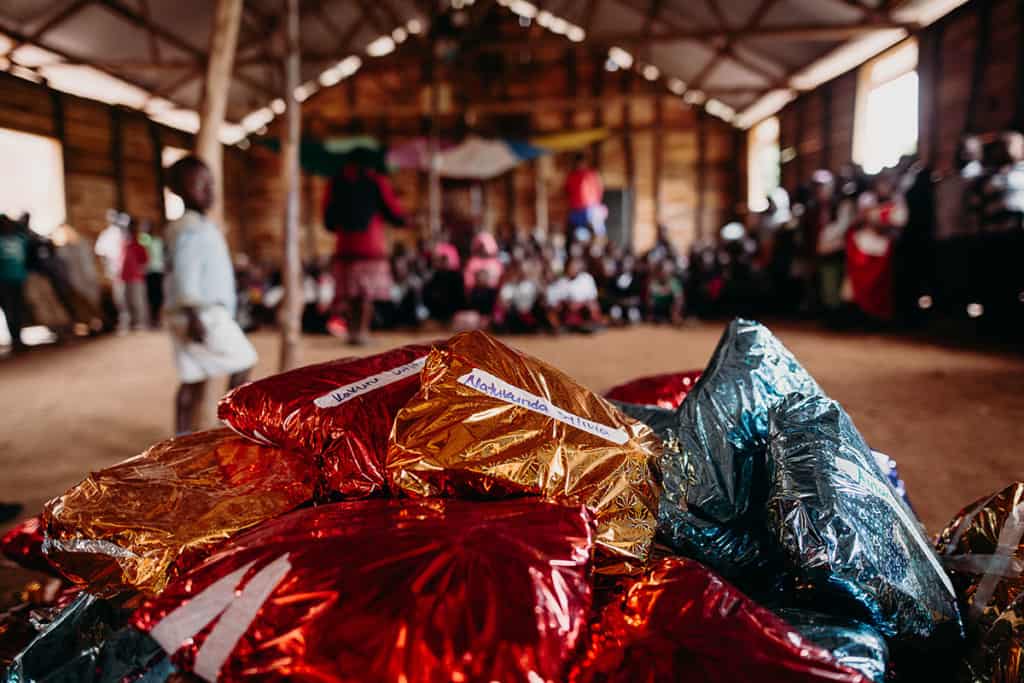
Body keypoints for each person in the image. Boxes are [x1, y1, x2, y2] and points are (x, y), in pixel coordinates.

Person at [164, 156, 257, 435]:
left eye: (211, 184)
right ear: (178, 191)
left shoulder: (190, 226)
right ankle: (229, 427)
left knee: (192, 377)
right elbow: (185, 272)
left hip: (186, 313)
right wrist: (194, 314)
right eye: (199, 185)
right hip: (201, 314)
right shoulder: (192, 228)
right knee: (244, 361)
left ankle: (180, 439)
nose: (208, 191)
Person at [323, 150, 407, 345]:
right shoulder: (377, 181)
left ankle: (352, 333)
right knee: (366, 294)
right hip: (370, 244)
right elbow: (393, 212)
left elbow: (327, 219)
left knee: (351, 293)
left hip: (345, 245)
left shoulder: (335, 182)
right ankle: (362, 332)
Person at [0, 216, 29, 352]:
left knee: (15, 311)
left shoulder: (20, 239)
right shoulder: (18, 239)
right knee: (13, 311)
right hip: (8, 281)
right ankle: (16, 340)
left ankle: (17, 340)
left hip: (15, 280)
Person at [95, 210, 127, 330]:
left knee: (124, 296)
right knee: (119, 297)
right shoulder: (107, 235)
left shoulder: (122, 234)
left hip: (123, 271)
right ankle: (123, 321)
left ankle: (127, 321)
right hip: (114, 270)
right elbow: (100, 252)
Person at [565, 152, 607, 241]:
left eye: (581, 162)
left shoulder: (592, 175)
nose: (580, 165)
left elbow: (599, 190)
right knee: (575, 233)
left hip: (591, 207)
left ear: (585, 162)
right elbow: (568, 191)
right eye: (578, 163)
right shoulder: (572, 176)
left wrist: (596, 204)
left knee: (597, 232)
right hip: (576, 208)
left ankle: (597, 248)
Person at [121, 219, 149, 330]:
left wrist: (139, 271)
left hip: (136, 277)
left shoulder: (139, 245)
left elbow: (145, 261)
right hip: (125, 277)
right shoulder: (125, 245)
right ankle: (131, 323)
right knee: (126, 301)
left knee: (138, 301)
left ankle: (141, 323)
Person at [138, 220, 165, 328]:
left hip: (159, 271)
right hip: (148, 271)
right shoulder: (145, 240)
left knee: (159, 296)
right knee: (150, 296)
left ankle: (158, 319)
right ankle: (151, 320)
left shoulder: (158, 241)